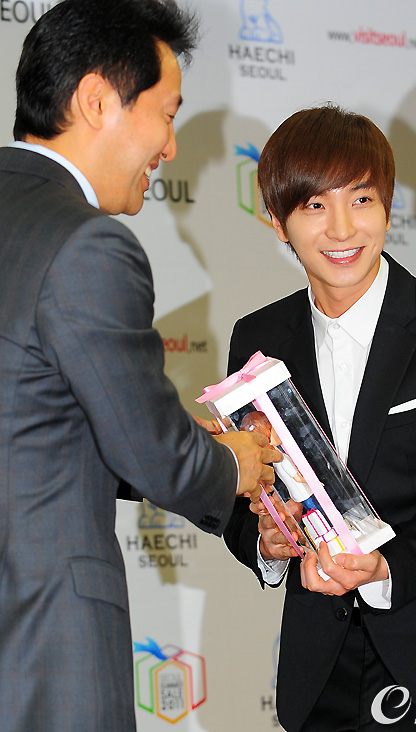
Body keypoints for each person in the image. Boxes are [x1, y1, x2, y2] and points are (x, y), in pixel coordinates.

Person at [0, 1, 279, 731]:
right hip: (42, 645)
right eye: (167, 114)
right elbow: (155, 452)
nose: (171, 148)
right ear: (97, 101)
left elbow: (36, 420)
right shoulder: (87, 245)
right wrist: (235, 461)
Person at [223, 105, 416, 731]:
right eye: (314, 205)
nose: (343, 228)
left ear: (389, 208)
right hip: (318, 665)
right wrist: (266, 541)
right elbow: (248, 494)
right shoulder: (258, 338)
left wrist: (382, 565)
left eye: (362, 199)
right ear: (278, 221)